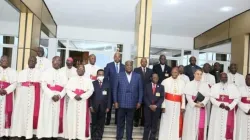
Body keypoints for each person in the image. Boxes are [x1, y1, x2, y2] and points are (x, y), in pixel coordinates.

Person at [37, 56, 67, 139]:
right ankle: (47, 134)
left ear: (61, 63)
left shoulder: (63, 73)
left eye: (59, 60)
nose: (57, 62)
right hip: (48, 97)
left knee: (57, 117)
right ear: (52, 62)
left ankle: (55, 134)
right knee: (47, 116)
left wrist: (60, 95)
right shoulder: (46, 72)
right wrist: (51, 95)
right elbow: (43, 85)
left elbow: (66, 87)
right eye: (55, 60)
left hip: (59, 98)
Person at [11, 56, 41, 139]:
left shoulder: (40, 73)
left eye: (33, 60)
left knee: (32, 113)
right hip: (23, 96)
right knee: (22, 113)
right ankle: (21, 131)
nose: (31, 61)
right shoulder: (21, 72)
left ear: (36, 62)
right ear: (27, 61)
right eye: (30, 60)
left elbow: (41, 86)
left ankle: (32, 132)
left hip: (34, 96)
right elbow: (18, 85)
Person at [113, 60, 143, 140]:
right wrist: (115, 101)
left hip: (132, 103)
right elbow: (115, 89)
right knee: (120, 123)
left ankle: (129, 137)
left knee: (130, 123)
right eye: (127, 65)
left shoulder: (138, 76)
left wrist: (139, 102)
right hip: (121, 103)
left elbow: (140, 90)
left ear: (132, 66)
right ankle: (119, 137)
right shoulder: (119, 75)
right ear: (124, 66)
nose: (129, 67)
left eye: (130, 65)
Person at [208, 73, 240, 140]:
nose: (224, 78)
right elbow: (211, 97)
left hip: (228, 110)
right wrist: (218, 104)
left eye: (226, 77)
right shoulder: (215, 86)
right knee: (216, 125)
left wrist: (230, 106)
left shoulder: (232, 87)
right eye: (223, 77)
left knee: (226, 126)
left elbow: (237, 98)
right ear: (220, 78)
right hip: (217, 110)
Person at [66, 65, 94, 140]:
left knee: (82, 120)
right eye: (79, 69)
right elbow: (67, 89)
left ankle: (81, 136)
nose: (80, 70)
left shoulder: (88, 80)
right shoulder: (72, 79)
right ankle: (72, 136)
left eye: (82, 69)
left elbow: (91, 90)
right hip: (73, 102)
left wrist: (82, 96)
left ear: (84, 71)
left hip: (83, 103)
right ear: (76, 70)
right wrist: (74, 95)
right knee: (72, 119)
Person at [182, 69, 210, 140]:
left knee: (200, 126)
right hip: (191, 108)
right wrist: (194, 104)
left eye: (200, 74)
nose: (199, 76)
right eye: (197, 74)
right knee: (190, 125)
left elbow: (207, 96)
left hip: (201, 107)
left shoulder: (205, 85)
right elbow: (188, 96)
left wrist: (203, 103)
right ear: (194, 74)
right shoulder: (189, 84)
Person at [158, 67, 186, 140]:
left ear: (178, 73)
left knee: (176, 123)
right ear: (171, 73)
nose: (174, 74)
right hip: (167, 105)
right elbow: (162, 95)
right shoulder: (165, 81)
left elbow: (183, 95)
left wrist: (183, 106)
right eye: (173, 72)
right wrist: (163, 106)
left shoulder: (182, 82)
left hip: (177, 106)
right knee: (166, 122)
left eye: (176, 72)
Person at [104, 52, 125, 125]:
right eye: (115, 57)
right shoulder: (109, 65)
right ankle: (108, 121)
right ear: (114, 57)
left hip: (120, 91)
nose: (117, 58)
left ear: (120, 58)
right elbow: (106, 78)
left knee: (118, 106)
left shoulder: (123, 67)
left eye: (118, 57)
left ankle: (117, 121)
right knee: (109, 105)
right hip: (110, 89)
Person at [90, 69, 111, 140]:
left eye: (102, 74)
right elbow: (90, 96)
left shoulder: (107, 83)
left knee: (101, 124)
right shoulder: (93, 83)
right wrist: (90, 106)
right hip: (94, 107)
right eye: (99, 74)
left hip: (103, 107)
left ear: (104, 75)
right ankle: (93, 137)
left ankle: (99, 137)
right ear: (97, 75)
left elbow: (109, 96)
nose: (101, 76)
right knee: (94, 124)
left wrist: (108, 106)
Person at [143, 73, 164, 140]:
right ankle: (145, 138)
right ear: (151, 78)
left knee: (154, 124)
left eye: (157, 78)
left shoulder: (161, 87)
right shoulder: (147, 86)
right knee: (147, 124)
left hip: (156, 109)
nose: (155, 79)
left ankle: (152, 138)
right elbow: (145, 96)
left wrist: (156, 105)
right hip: (147, 108)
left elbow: (162, 98)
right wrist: (149, 105)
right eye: (154, 77)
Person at [0, 56, 17, 138]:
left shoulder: (13, 71)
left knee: (7, 112)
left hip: (8, 95)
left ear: (8, 61)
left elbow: (15, 83)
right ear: (0, 61)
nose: (4, 61)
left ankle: (6, 133)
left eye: (6, 60)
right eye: (2, 60)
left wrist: (6, 90)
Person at [133, 58, 153, 127]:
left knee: (145, 108)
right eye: (143, 61)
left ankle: (143, 122)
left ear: (147, 63)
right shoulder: (136, 70)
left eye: (145, 62)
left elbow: (151, 81)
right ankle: (136, 121)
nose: (144, 63)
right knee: (137, 107)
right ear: (140, 62)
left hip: (147, 92)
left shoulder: (150, 71)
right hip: (138, 91)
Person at [201, 63, 216, 130]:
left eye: (209, 67)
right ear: (203, 67)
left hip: (209, 97)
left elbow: (214, 87)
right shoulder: (200, 75)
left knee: (208, 111)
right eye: (206, 67)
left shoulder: (212, 76)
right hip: (201, 97)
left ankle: (207, 126)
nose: (207, 68)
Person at [236, 74, 250, 140]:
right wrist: (247, 109)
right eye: (248, 78)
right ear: (245, 80)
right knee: (241, 129)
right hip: (242, 112)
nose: (249, 80)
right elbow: (237, 101)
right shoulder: (240, 88)